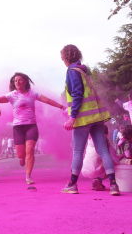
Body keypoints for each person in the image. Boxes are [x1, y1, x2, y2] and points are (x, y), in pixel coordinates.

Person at [0, 72, 66, 185]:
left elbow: (48, 100)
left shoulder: (33, 94)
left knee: (30, 149)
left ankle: (28, 176)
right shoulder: (12, 95)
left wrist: (62, 107)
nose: (17, 82)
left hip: (31, 126)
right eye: (15, 80)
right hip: (18, 127)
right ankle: (23, 157)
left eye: (20, 80)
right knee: (21, 154)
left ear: (25, 82)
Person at [61, 44, 120, 196]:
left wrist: (72, 117)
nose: (62, 60)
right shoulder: (82, 71)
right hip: (96, 116)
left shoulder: (71, 72)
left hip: (82, 118)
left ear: (66, 57)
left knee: (78, 151)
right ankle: (113, 185)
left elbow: (77, 94)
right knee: (103, 150)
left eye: (62, 57)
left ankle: (72, 184)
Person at [81, 124, 120, 191]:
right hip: (98, 171)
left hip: (85, 170)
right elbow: (115, 160)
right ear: (107, 133)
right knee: (112, 166)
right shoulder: (107, 145)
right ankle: (101, 180)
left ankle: (94, 183)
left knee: (98, 164)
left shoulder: (89, 142)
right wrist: (121, 157)